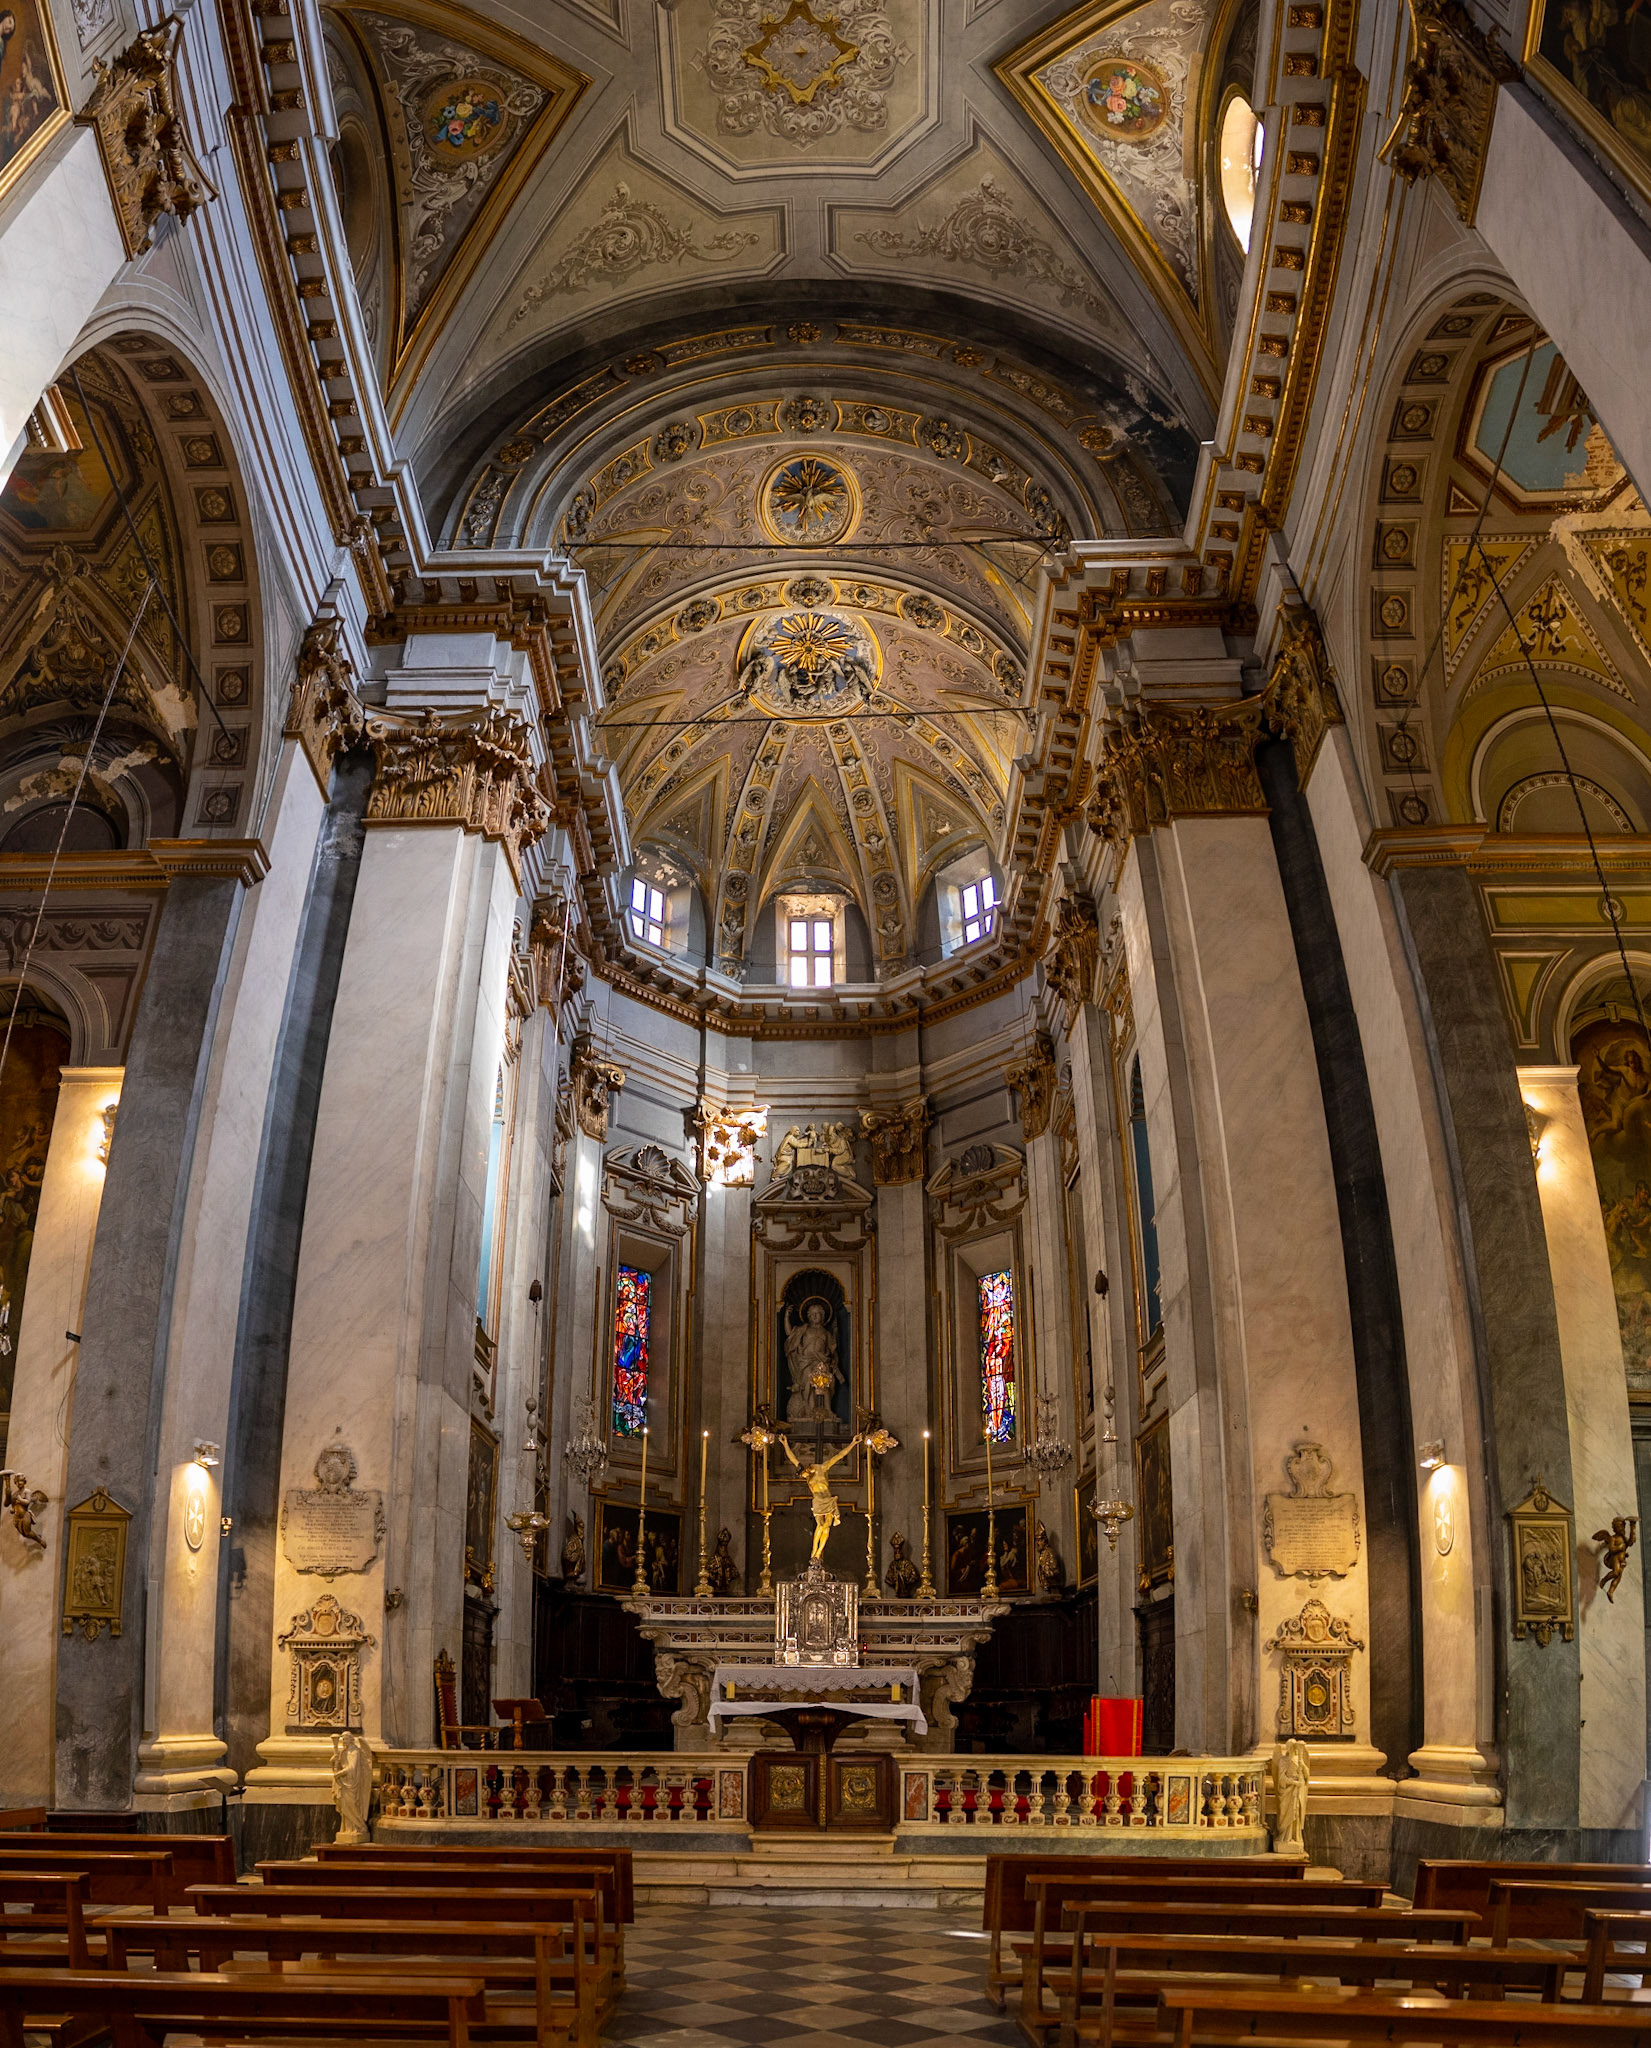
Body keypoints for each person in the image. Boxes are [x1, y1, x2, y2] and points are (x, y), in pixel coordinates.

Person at [779, 1429, 861, 1563]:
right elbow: (792, 1457)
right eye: (803, 1476)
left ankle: (818, 1552)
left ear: (806, 1468)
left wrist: (853, 1443)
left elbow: (839, 1455)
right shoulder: (805, 1475)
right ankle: (813, 1550)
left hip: (828, 1500)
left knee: (827, 1526)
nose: (804, 1477)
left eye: (804, 1474)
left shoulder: (822, 1468)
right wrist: (785, 1444)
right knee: (820, 1526)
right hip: (817, 1501)